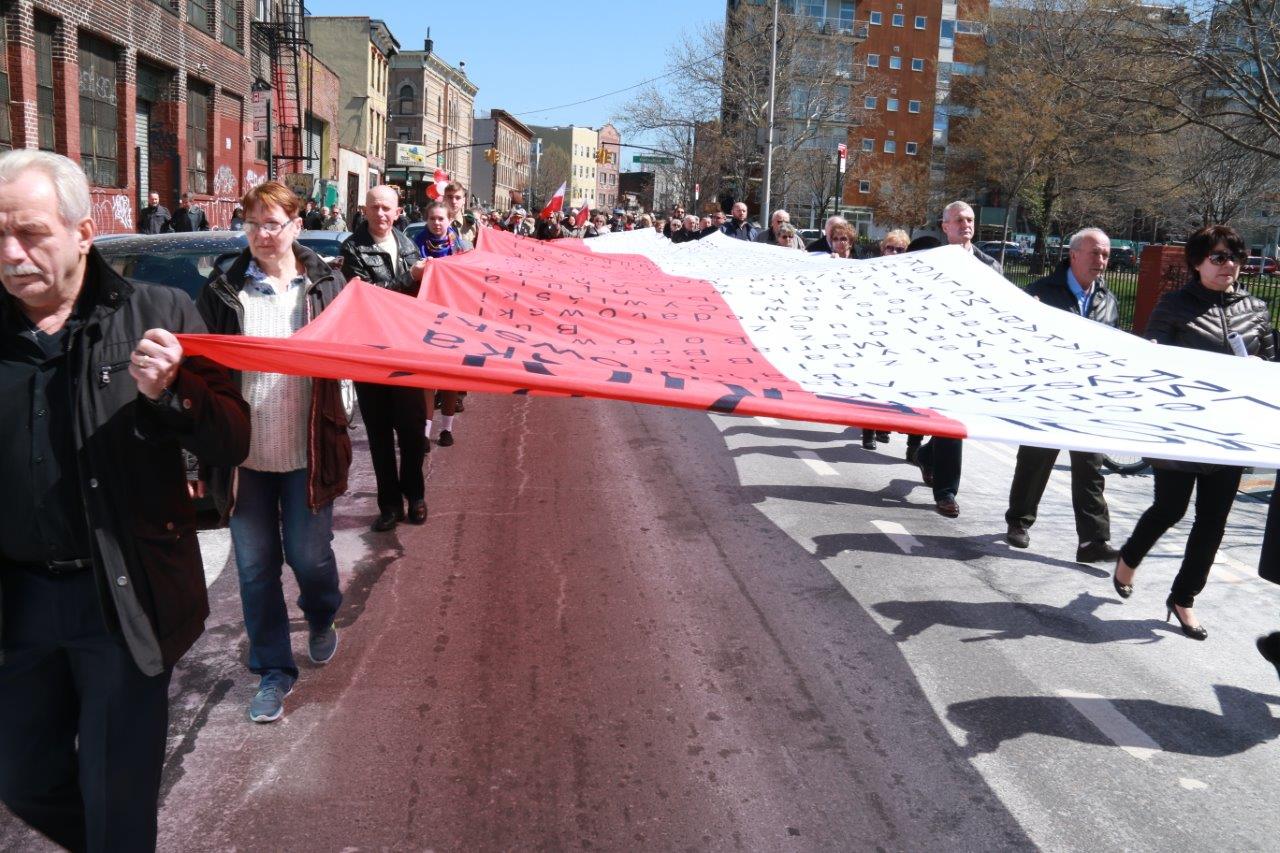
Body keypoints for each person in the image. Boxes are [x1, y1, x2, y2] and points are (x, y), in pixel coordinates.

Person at [0, 150, 249, 850]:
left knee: (116, 796)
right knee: (21, 778)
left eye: (30, 233)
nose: (11, 254)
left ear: (83, 232)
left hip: (121, 597)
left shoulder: (159, 312)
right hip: (17, 605)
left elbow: (232, 437)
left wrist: (175, 392)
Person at [197, 180, 350, 722]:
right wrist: (198, 455)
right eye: (252, 223)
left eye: (272, 223)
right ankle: (273, 670)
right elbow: (201, 374)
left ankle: (322, 613)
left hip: (308, 452)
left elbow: (352, 353)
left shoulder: (326, 283)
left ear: (295, 226)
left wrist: (345, 402)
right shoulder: (222, 290)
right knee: (256, 568)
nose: (262, 234)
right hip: (245, 461)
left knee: (310, 558)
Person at [1112, 224, 1275, 639]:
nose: (1228, 264)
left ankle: (1183, 598)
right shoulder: (1174, 306)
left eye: (1235, 257)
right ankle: (1129, 557)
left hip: (1231, 435)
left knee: (1213, 521)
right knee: (1170, 509)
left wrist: (1261, 369)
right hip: (1182, 429)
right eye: (1218, 257)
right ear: (1198, 263)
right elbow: (1152, 362)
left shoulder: (1257, 309)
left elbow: (1273, 371)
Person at [1004, 228, 1122, 562]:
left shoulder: (1108, 300)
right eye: (1095, 253)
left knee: (1091, 466)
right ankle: (1019, 521)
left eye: (1106, 254)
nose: (1101, 260)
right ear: (1074, 255)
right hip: (1048, 393)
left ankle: (1093, 541)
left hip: (1088, 398)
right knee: (1036, 460)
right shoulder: (1041, 293)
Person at [340, 185, 430, 532]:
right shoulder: (353, 248)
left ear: (397, 212)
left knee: (412, 433)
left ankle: (415, 495)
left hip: (406, 350)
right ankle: (390, 505)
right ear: (364, 210)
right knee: (379, 436)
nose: (380, 214)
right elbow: (366, 295)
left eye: (386, 208)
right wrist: (410, 277)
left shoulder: (408, 246)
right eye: (374, 207)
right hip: (370, 353)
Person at [913, 201, 997, 518]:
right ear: (945, 226)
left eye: (970, 219)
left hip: (973, 355)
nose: (966, 225)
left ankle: (927, 455)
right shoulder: (929, 263)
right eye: (959, 220)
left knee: (957, 421)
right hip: (938, 353)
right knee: (951, 419)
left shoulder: (990, 266)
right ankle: (946, 492)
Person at [413, 201, 471, 446]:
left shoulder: (461, 247)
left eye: (441, 219)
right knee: (427, 378)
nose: (437, 223)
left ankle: (446, 429)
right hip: (424, 317)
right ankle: (425, 433)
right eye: (432, 219)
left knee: (450, 378)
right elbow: (407, 277)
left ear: (449, 220)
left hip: (455, 319)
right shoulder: (415, 244)